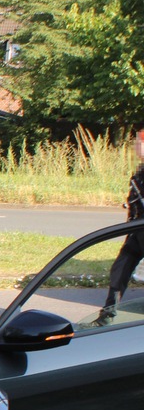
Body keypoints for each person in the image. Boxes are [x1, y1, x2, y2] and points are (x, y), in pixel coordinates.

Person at [93, 129, 144, 326]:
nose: (135, 147)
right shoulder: (140, 171)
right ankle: (107, 315)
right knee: (120, 269)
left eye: (138, 143)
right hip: (136, 230)